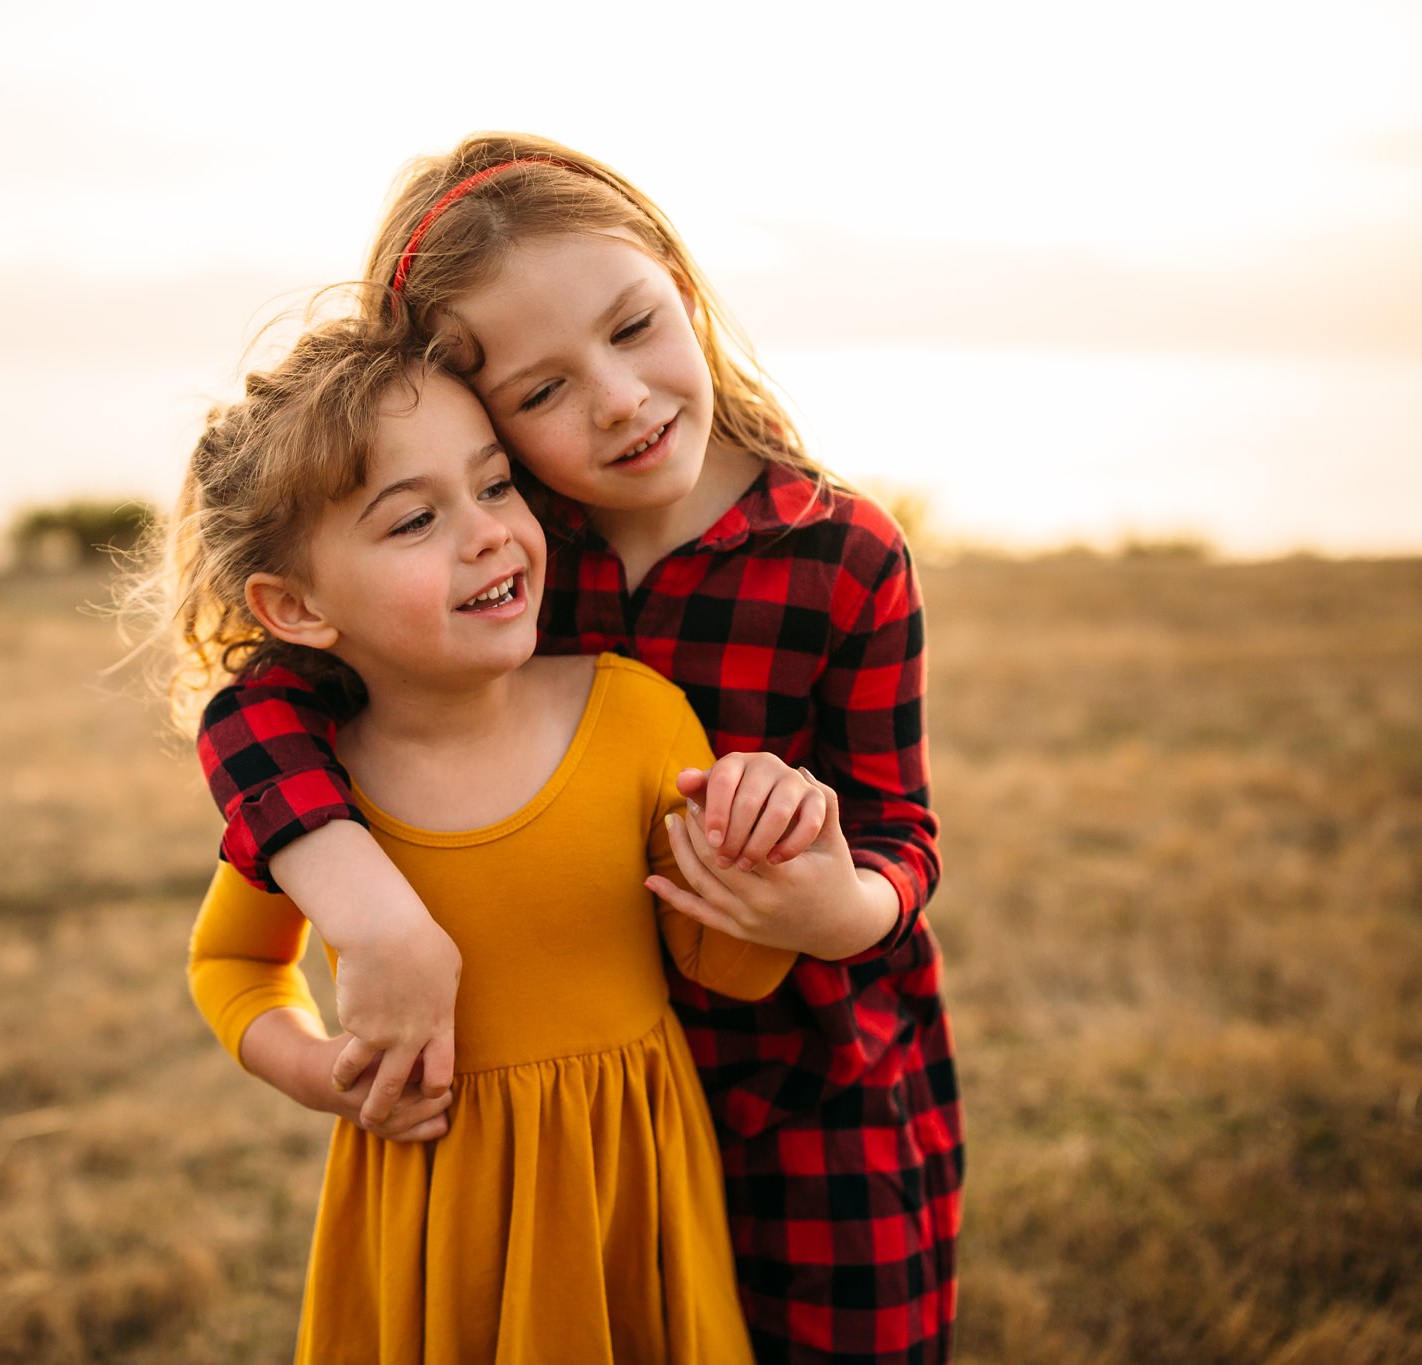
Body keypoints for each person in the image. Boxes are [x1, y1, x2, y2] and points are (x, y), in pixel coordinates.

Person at [192, 134, 963, 1363]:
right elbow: (259, 713)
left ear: (681, 283)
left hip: (817, 1091)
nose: (614, 398)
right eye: (537, 394)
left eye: (632, 326)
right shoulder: (499, 543)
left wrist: (828, 905)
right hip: (553, 1129)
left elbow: (899, 839)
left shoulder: (840, 554)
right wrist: (370, 915)